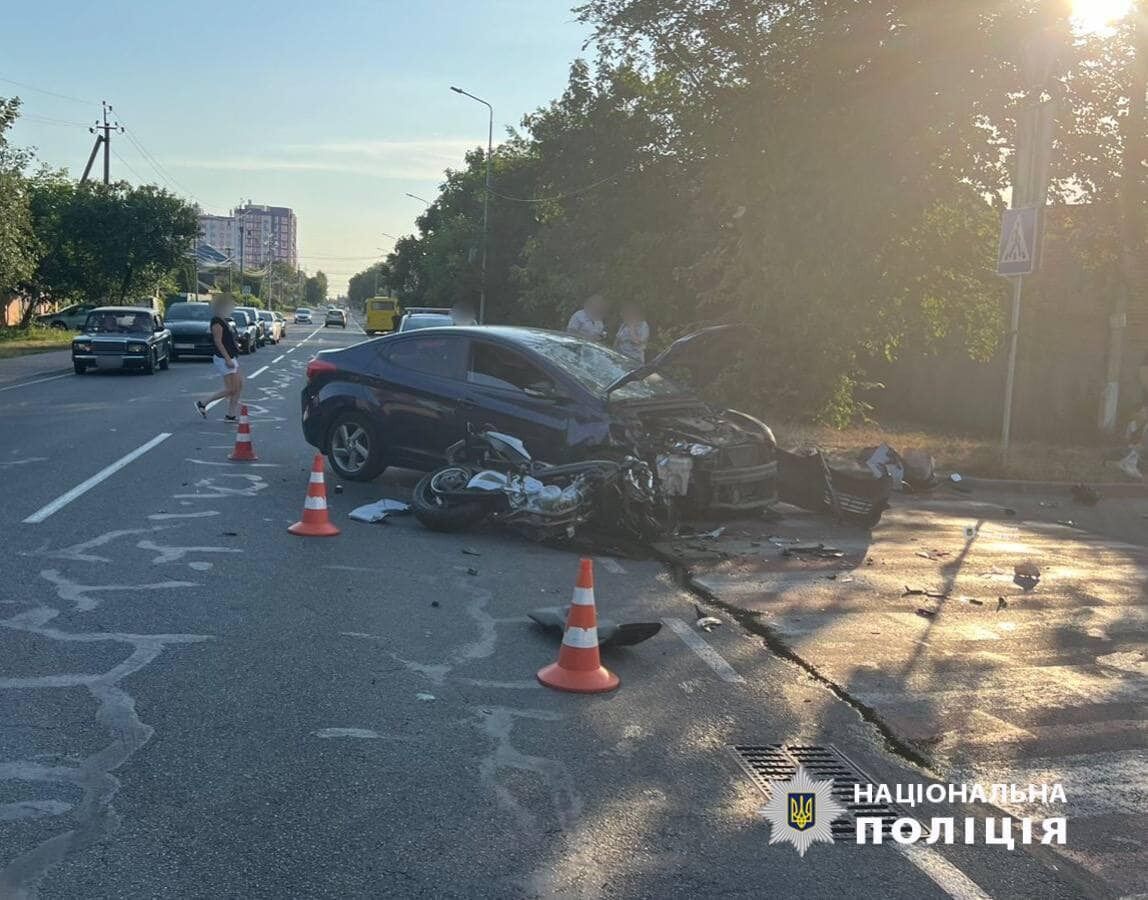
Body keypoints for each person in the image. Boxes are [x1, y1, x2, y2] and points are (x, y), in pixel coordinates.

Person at [195, 296, 243, 422]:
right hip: (223, 358)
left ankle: (231, 415)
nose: (232, 308)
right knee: (231, 389)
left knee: (239, 386)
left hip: (231, 356)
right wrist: (227, 359)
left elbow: (227, 339)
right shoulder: (216, 321)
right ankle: (203, 403)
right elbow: (218, 341)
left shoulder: (223, 319)